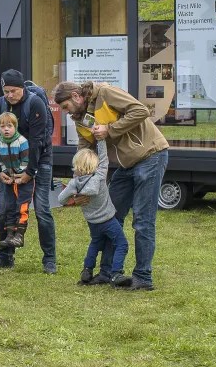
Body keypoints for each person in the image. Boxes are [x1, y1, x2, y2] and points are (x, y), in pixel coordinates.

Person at [53, 80, 167, 291]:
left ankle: (143, 276)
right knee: (110, 216)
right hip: (124, 165)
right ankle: (107, 273)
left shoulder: (106, 93)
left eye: (66, 106)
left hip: (150, 156)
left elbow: (140, 111)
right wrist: (78, 184)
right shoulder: (79, 118)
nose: (66, 112)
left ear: (76, 96)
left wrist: (110, 129)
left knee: (142, 220)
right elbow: (85, 150)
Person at [0, 70, 57, 273]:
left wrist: (30, 172)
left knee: (42, 210)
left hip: (38, 160)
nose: (10, 95)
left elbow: (37, 141)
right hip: (8, 164)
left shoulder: (35, 104)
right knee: (4, 209)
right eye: (6, 91)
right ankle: (5, 256)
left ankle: (49, 260)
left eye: (14, 91)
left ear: (22, 88)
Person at [55, 140, 126, 286]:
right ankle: (116, 273)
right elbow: (104, 157)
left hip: (92, 223)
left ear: (77, 166)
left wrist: (74, 198)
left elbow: (61, 199)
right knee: (121, 244)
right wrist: (100, 139)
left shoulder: (74, 184)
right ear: (94, 165)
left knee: (95, 243)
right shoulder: (99, 177)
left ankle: (87, 270)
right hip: (109, 220)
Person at [0, 112, 32, 251]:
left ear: (15, 127)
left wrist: (19, 175)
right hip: (9, 180)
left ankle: (19, 235)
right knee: (9, 207)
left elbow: (26, 160)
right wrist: (4, 173)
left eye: (9, 126)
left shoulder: (22, 141)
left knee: (22, 207)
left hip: (23, 180)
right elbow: (0, 161)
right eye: (3, 127)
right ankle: (9, 235)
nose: (6, 129)